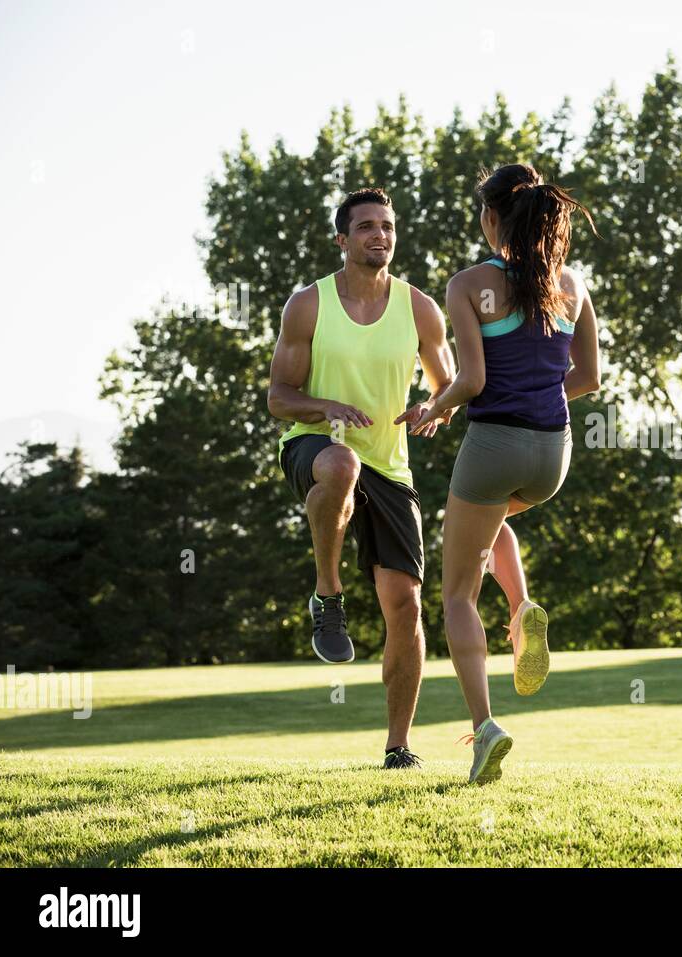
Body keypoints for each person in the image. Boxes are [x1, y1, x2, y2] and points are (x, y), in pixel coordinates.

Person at [406, 164, 600, 784]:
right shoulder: (573, 285)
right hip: (553, 454)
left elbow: (473, 381)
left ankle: (485, 728)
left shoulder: (468, 284)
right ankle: (521, 612)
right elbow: (589, 378)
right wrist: (541, 390)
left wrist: (432, 408)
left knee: (457, 592)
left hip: (494, 443)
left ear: (492, 218)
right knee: (487, 529)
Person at [267, 187, 456, 770]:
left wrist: (433, 408)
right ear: (342, 239)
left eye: (388, 227)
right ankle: (328, 594)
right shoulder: (309, 305)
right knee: (342, 464)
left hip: (390, 464)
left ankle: (398, 747)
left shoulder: (420, 308)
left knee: (405, 605)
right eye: (367, 226)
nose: (380, 235)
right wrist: (325, 408)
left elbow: (449, 385)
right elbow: (279, 398)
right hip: (313, 445)